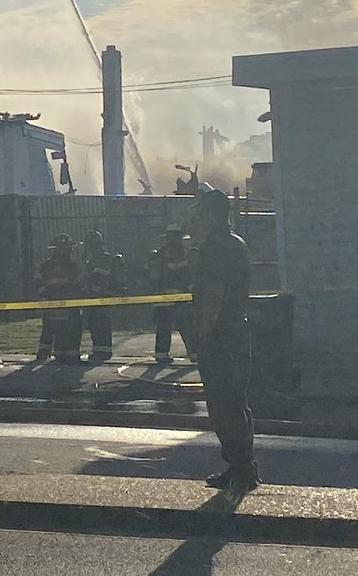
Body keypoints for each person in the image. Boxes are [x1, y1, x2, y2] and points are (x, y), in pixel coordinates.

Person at [190, 188, 259, 493]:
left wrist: (202, 334)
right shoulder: (236, 244)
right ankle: (242, 467)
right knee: (236, 402)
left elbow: (214, 295)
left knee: (223, 404)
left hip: (220, 338)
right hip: (236, 334)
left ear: (212, 214)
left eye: (201, 213)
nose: (198, 219)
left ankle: (240, 469)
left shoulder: (215, 247)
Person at [150, 224, 196, 364]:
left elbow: (190, 275)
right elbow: (155, 277)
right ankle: (162, 354)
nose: (176, 242)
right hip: (165, 299)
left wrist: (187, 289)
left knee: (188, 326)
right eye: (173, 238)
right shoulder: (158, 257)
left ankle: (194, 353)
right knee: (164, 326)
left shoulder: (187, 255)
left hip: (183, 298)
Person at [35, 235, 83, 363]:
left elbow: (37, 283)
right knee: (71, 330)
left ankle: (45, 354)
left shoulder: (46, 265)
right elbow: (79, 285)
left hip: (52, 304)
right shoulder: (73, 266)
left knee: (49, 329)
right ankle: (70, 357)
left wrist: (45, 296)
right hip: (69, 306)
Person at [81, 231, 126, 362]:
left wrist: (91, 294)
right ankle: (100, 351)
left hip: (100, 297)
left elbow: (99, 280)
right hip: (99, 297)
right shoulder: (97, 259)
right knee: (97, 324)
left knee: (100, 324)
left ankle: (103, 352)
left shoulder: (100, 259)